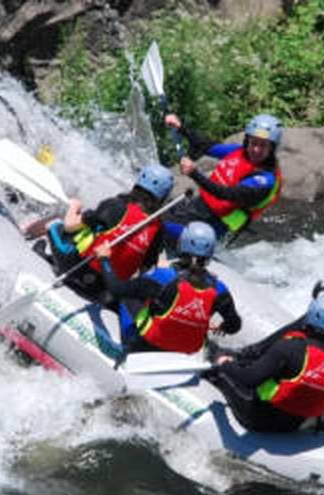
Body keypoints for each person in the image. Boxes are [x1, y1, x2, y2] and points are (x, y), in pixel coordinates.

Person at [95, 221, 241, 354]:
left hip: (145, 345)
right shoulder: (220, 289)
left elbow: (115, 288)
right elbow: (234, 325)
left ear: (181, 245)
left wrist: (104, 259)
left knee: (128, 299)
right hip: (182, 356)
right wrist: (223, 327)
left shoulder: (162, 277)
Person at [208, 295, 324, 433]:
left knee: (220, 370)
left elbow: (248, 379)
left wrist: (225, 364)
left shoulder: (289, 348)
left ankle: (210, 358)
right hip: (292, 425)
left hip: (257, 419)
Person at [45, 164, 173, 300]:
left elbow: (69, 225)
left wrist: (74, 206)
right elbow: (145, 270)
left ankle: (32, 239)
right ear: (163, 197)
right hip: (106, 290)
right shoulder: (158, 230)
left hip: (74, 269)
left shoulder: (116, 205)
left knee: (54, 225)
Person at [162, 112, 282, 243]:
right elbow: (207, 146)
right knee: (164, 221)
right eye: (253, 143)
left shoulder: (265, 179)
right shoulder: (238, 151)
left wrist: (194, 173)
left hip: (217, 223)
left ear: (272, 148)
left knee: (166, 229)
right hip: (200, 206)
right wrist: (181, 128)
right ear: (247, 140)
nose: (256, 149)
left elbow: (226, 194)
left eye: (263, 145)